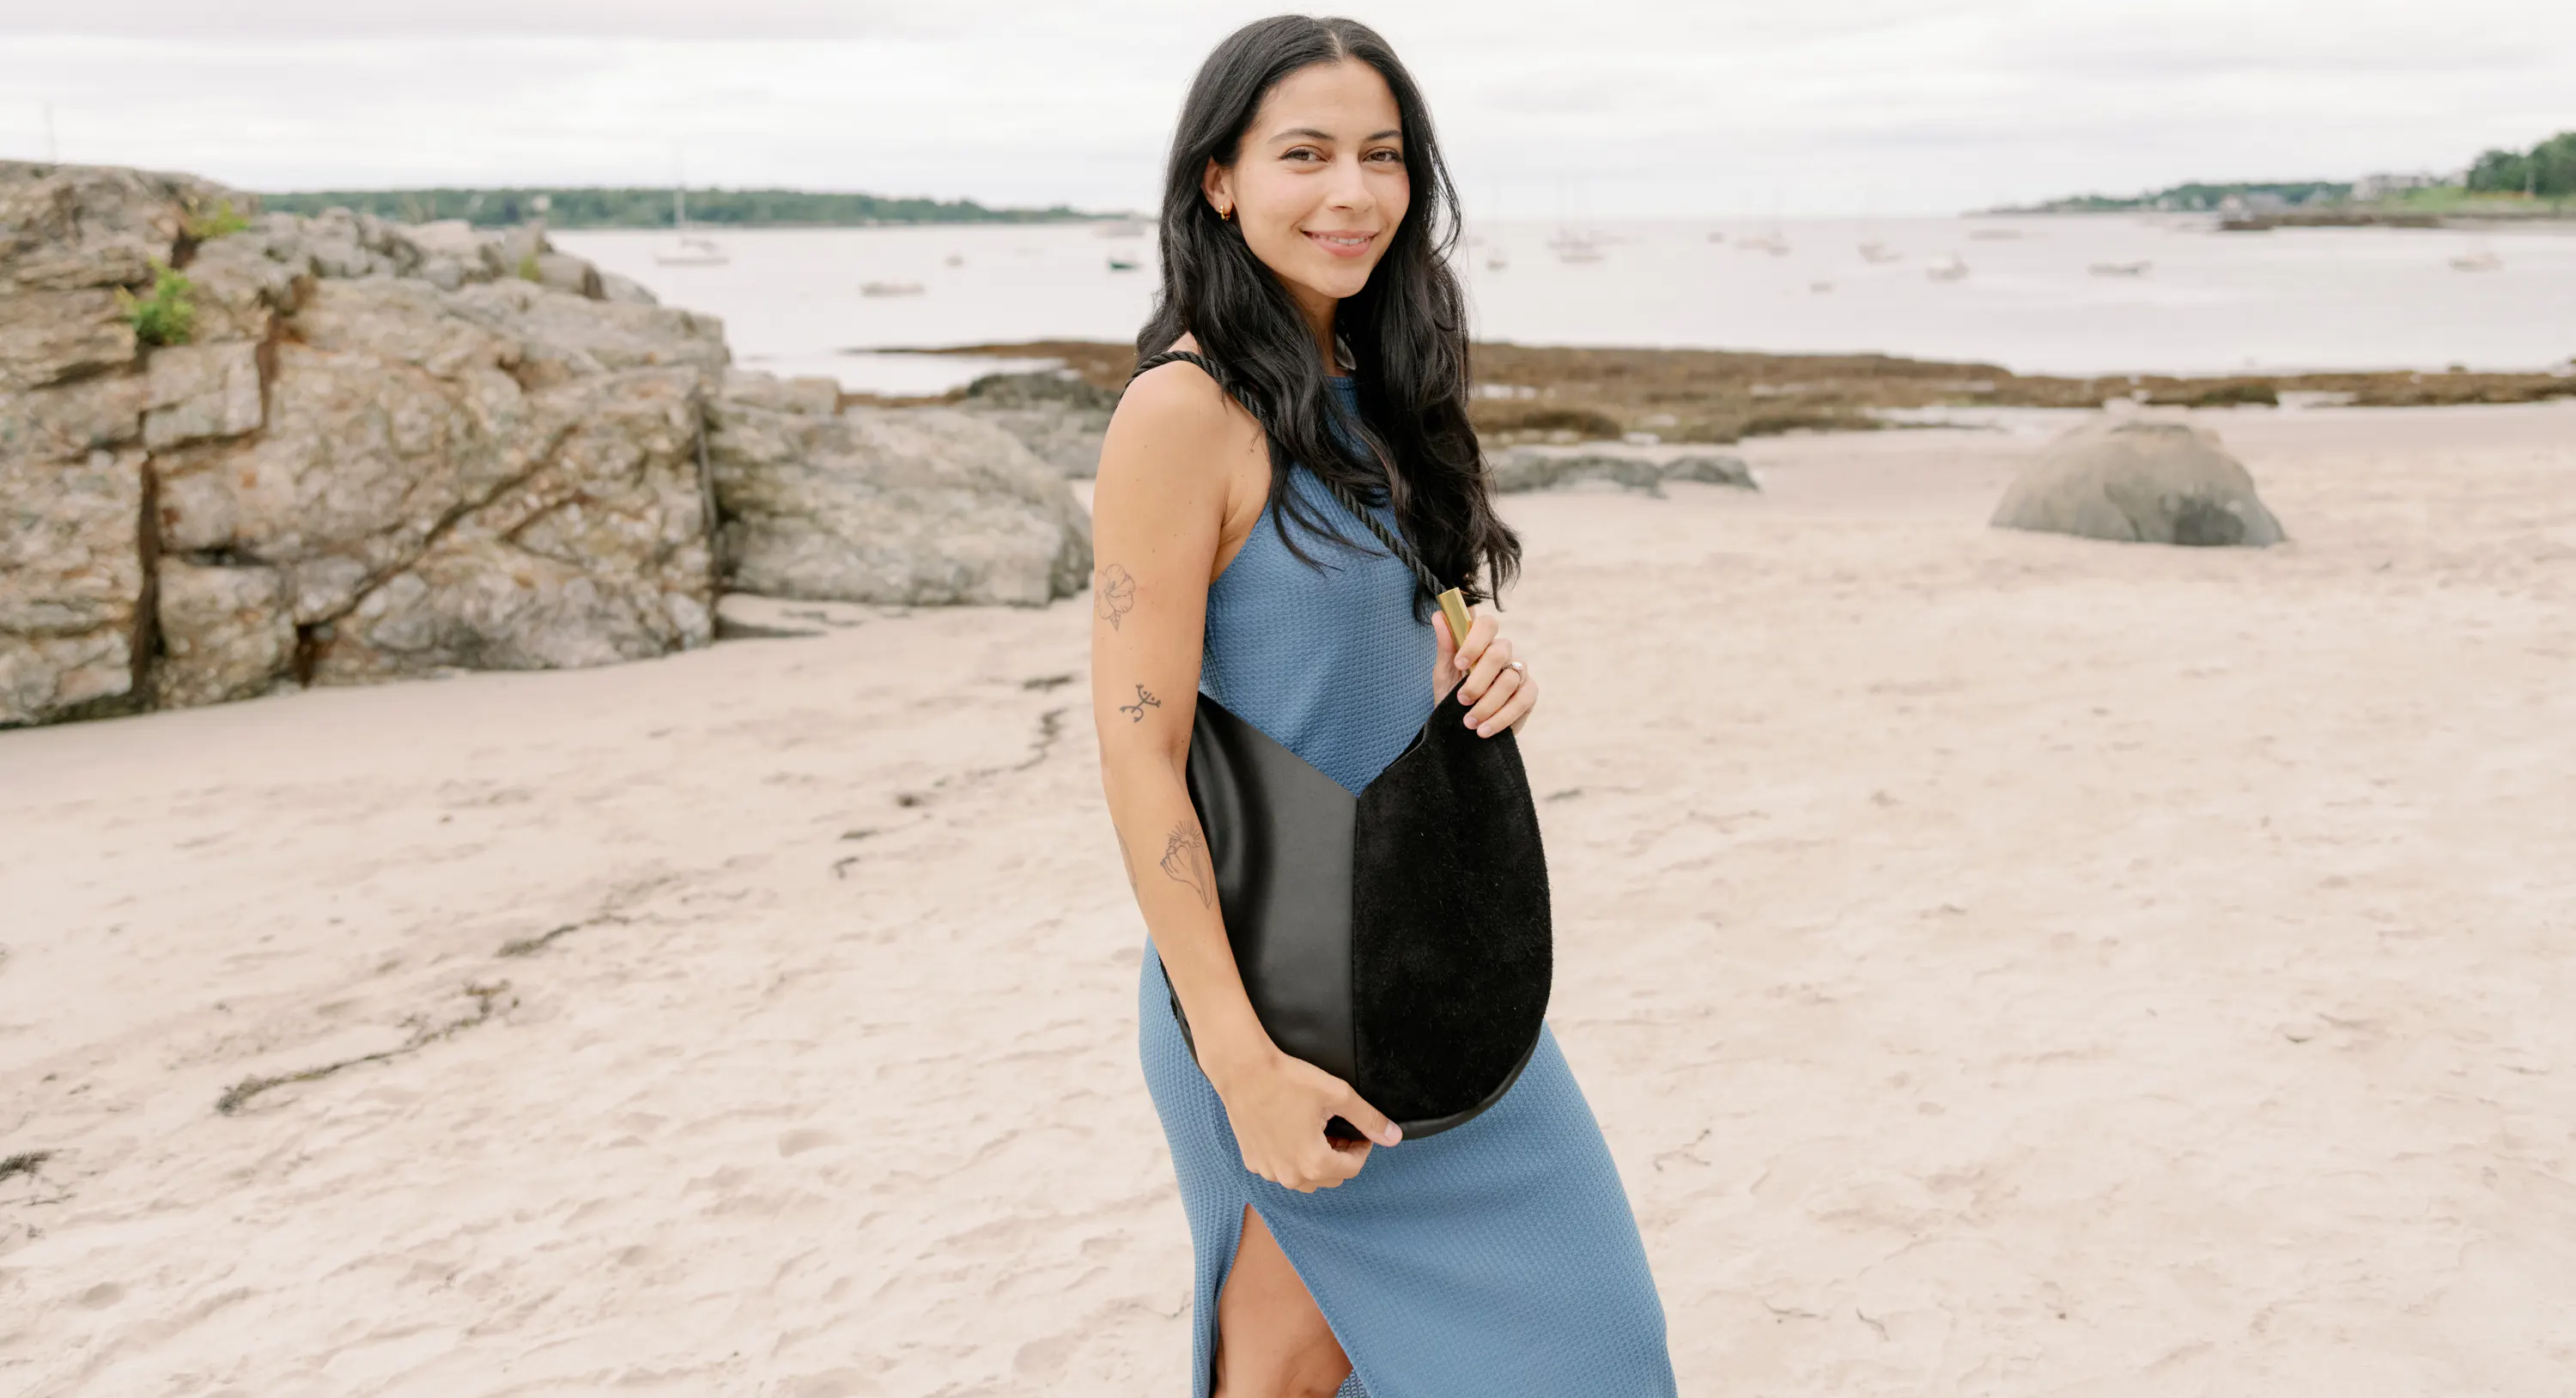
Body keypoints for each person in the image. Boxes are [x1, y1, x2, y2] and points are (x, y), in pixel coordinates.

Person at [1089, 15, 1677, 1397]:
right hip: (1284, 995)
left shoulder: (1381, 389)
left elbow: (1375, 631)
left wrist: (1480, 658)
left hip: (1447, 964)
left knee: (1603, 1351)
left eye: (1382, 157)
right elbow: (1136, 751)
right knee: (1290, 1373)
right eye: (1305, 154)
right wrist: (1241, 1066)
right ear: (1219, 180)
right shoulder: (1183, 413)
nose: (1351, 193)